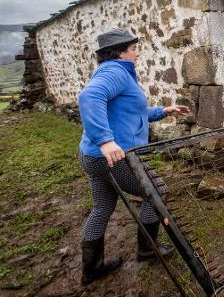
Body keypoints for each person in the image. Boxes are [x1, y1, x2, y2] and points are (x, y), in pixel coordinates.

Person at [77, 28, 189, 285]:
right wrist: (106, 141)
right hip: (112, 158)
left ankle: (91, 268)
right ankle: (147, 249)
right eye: (134, 49)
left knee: (103, 206)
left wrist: (164, 110)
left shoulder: (116, 73)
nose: (137, 53)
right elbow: (89, 97)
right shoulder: (115, 71)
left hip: (92, 157)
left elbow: (131, 110)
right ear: (120, 52)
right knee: (156, 190)